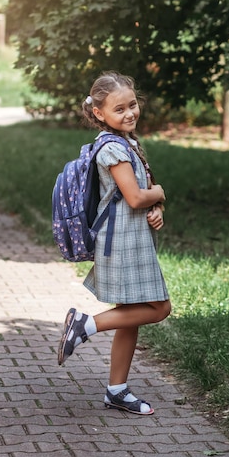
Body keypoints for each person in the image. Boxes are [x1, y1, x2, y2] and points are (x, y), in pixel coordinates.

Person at [57, 70, 171, 415]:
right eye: (119, 109)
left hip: (130, 235)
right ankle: (85, 324)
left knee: (130, 315)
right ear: (99, 113)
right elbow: (135, 197)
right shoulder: (111, 149)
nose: (129, 113)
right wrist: (160, 192)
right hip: (121, 241)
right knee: (159, 308)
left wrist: (158, 208)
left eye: (132, 105)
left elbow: (135, 197)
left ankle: (117, 390)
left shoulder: (126, 143)